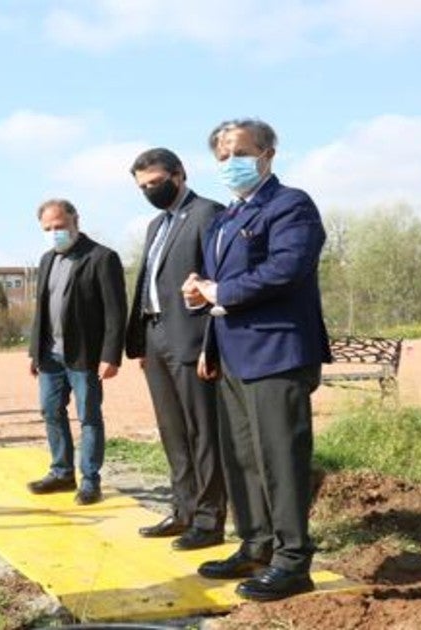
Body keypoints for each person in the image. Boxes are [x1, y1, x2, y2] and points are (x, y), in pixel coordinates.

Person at [185, 118, 331, 602]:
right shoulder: (227, 218)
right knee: (242, 458)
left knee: (279, 459)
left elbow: (287, 269)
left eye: (240, 153)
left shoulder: (291, 205)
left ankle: (292, 561)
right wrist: (204, 311)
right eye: (222, 157)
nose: (231, 164)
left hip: (276, 351)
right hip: (232, 356)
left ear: (268, 154)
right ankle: (256, 544)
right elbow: (216, 288)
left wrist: (220, 291)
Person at [125, 148, 227, 550]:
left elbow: (216, 282)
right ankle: (183, 509)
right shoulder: (155, 225)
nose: (151, 191)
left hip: (191, 336)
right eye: (143, 187)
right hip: (155, 335)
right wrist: (141, 343)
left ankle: (208, 519)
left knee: (202, 431)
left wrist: (210, 345)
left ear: (179, 174)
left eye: (156, 182)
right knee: (172, 430)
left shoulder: (207, 214)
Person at [26, 199, 127, 506]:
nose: (55, 233)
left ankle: (90, 480)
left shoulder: (101, 258)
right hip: (49, 355)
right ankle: (61, 472)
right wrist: (34, 352)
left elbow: (116, 311)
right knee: (51, 411)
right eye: (48, 229)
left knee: (89, 417)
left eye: (60, 227)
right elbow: (41, 310)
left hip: (85, 355)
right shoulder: (46, 260)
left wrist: (111, 355)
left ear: (75, 221)